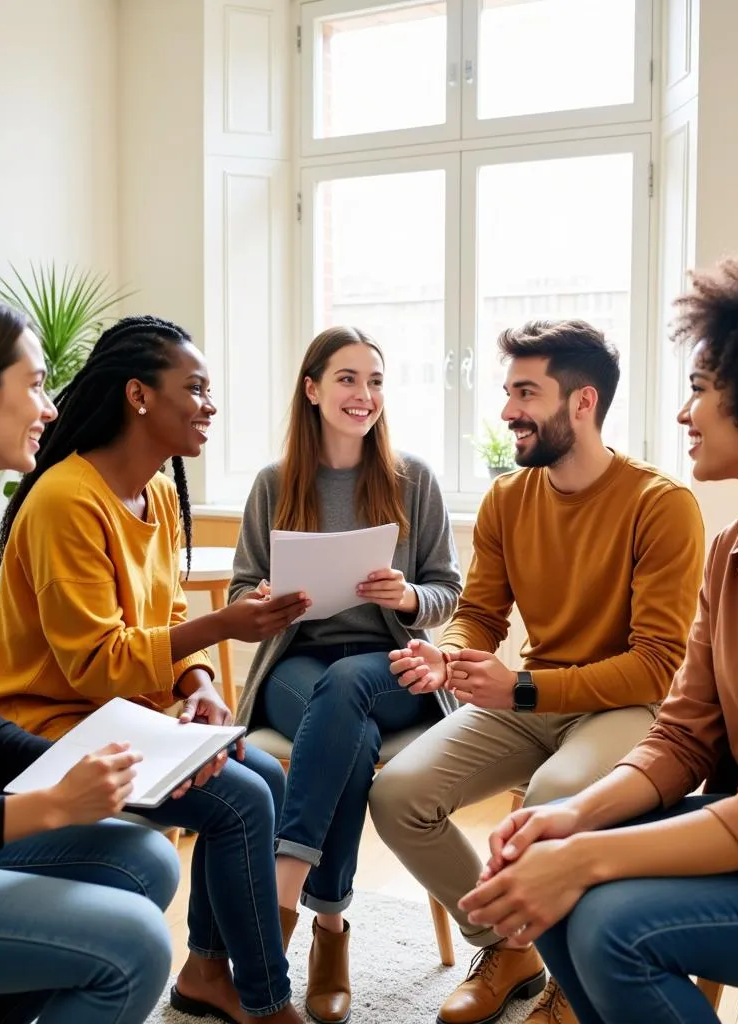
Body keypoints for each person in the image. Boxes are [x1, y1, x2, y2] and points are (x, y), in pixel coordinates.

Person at [458, 250, 738, 1024]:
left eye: (700, 392)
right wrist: (571, 820)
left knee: (609, 925)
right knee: (559, 878)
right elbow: (682, 739)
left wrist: (587, 853)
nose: (683, 415)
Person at [370, 318, 705, 1024]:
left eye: (526, 392)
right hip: (532, 697)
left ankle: (568, 982)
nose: (508, 412)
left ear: (581, 403)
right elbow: (482, 614)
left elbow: (656, 667)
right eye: (508, 391)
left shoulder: (661, 505)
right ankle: (507, 945)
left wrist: (521, 686)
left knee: (548, 802)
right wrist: (451, 652)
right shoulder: (506, 499)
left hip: (628, 707)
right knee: (397, 794)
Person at [0, 315, 309, 1024]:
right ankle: (267, 1002)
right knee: (242, 800)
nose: (209, 406)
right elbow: (93, 663)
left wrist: (197, 681)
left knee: (270, 776)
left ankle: (204, 972)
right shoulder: (66, 500)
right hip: (51, 727)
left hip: (130, 720)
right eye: (194, 389)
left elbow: (163, 617)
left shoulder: (159, 491)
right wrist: (222, 626)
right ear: (138, 395)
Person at [0, 291, 181, 1024]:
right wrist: (51, 805)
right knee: (136, 946)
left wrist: (123, 767)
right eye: (34, 385)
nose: (50, 408)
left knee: (143, 858)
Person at [229, 325, 462, 1023]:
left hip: (391, 668)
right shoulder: (274, 485)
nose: (364, 396)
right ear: (312, 389)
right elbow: (242, 592)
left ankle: (284, 891)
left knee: (348, 693)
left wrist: (409, 597)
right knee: (343, 726)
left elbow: (448, 590)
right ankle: (330, 932)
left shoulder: (412, 479)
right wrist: (266, 601)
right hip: (298, 668)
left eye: (376, 381)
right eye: (348, 380)